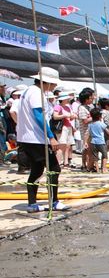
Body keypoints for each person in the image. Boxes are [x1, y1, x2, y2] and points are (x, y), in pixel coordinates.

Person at [15, 67, 68, 213]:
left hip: (26, 137)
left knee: (37, 170)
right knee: (54, 169)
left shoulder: (28, 91)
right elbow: (39, 116)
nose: (55, 87)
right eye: (54, 84)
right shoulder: (36, 93)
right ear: (48, 82)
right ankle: (54, 201)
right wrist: (51, 137)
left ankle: (32, 204)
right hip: (36, 138)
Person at [86, 108, 109, 173]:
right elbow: (108, 132)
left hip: (93, 142)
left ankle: (97, 170)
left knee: (95, 157)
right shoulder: (101, 124)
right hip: (101, 142)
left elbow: (87, 134)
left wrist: (86, 142)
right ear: (100, 117)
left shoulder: (90, 125)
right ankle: (104, 168)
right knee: (105, 155)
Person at [51, 93, 76, 167]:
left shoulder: (68, 107)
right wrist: (64, 115)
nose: (68, 100)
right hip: (62, 127)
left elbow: (70, 117)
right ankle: (57, 163)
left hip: (68, 126)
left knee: (68, 145)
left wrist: (72, 116)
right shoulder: (58, 107)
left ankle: (66, 162)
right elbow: (55, 116)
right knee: (61, 145)